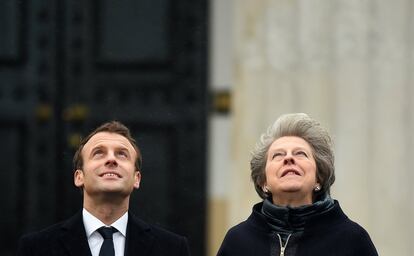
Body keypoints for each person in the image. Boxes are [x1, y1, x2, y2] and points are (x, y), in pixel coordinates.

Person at [17, 121, 190, 256]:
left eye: (122, 154)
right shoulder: (37, 248)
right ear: (79, 177)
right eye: (99, 153)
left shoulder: (172, 249)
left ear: (136, 179)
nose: (111, 160)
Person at [217, 113, 378, 256]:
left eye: (300, 153)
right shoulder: (237, 241)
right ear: (263, 181)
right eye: (278, 155)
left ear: (318, 178)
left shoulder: (351, 240)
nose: (288, 158)